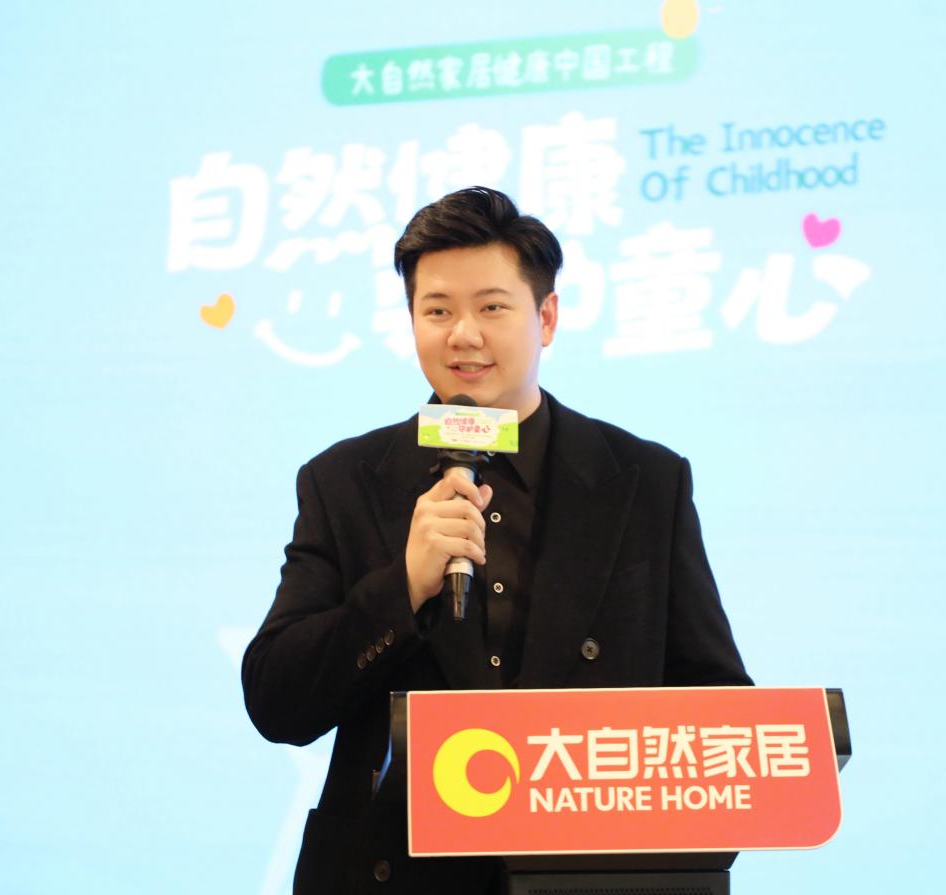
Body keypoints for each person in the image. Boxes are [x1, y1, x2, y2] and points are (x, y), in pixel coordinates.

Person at [242, 186, 750, 894]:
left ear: (546, 317)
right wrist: (402, 588)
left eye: (491, 307)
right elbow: (276, 698)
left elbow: (714, 702)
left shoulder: (644, 480)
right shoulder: (345, 479)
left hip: (587, 876)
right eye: (437, 310)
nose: (463, 335)